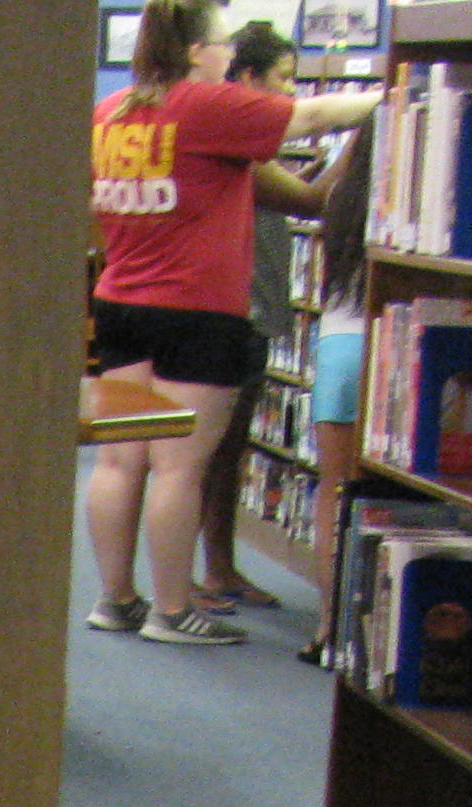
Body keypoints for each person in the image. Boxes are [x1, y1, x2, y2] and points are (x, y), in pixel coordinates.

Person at [85, 0, 375, 645]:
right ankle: (171, 610)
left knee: (120, 461)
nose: (227, 56)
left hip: (121, 302)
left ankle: (115, 598)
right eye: (221, 44)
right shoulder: (205, 104)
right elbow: (315, 116)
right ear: (196, 51)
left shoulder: (112, 113)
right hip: (196, 309)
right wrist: (390, 98)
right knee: (179, 467)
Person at [192, 21, 331, 616]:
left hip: (251, 311)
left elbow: (292, 194)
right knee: (207, 453)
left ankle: (217, 567)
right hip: (234, 313)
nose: (291, 91)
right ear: (247, 79)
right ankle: (196, 575)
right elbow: (309, 200)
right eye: (284, 78)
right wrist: (358, 150)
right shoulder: (234, 147)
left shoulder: (246, 149)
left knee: (227, 452)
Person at [302, 131, 371, 665]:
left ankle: (328, 623)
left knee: (335, 489)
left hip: (341, 344)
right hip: (403, 342)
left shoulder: (344, 199)